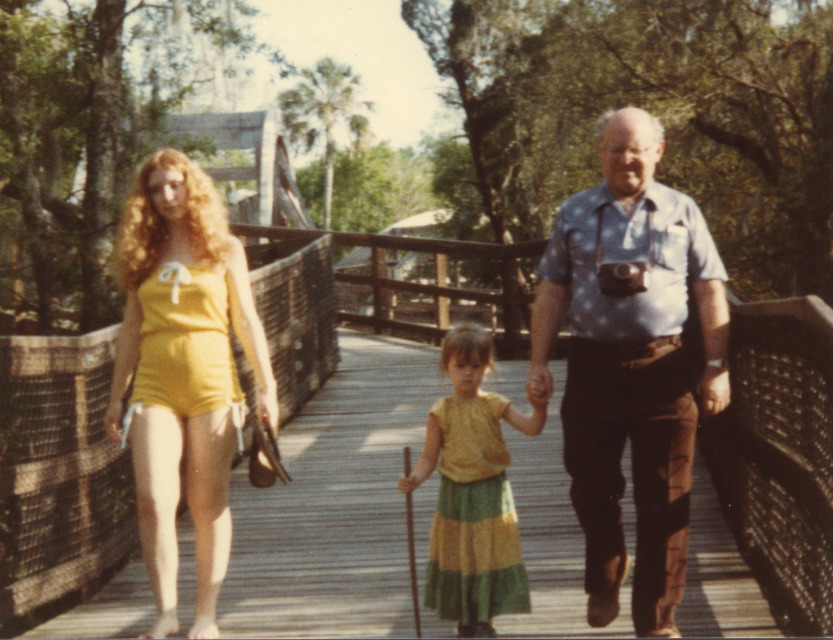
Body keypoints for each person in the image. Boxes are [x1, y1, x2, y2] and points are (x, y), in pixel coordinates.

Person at [526, 107, 730, 638]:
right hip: (592, 369)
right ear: (600, 153)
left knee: (665, 498)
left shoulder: (683, 210)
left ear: (658, 152)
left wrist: (716, 366)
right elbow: (552, 290)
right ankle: (607, 569)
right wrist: (538, 363)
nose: (626, 159)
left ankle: (657, 623)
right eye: (615, 149)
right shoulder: (574, 211)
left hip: (666, 369)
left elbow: (710, 288)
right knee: (590, 487)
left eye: (637, 149)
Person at [103, 148, 280, 640]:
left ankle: (205, 616)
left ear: (191, 186)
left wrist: (267, 387)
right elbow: (130, 330)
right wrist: (116, 397)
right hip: (154, 385)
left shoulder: (225, 248)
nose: (167, 196)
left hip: (213, 385)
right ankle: (166, 614)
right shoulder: (143, 253)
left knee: (207, 504)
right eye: (156, 188)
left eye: (175, 185)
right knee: (153, 498)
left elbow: (246, 320)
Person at [398, 323, 548, 638]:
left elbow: (532, 428)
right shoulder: (440, 411)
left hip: (490, 491)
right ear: (447, 367)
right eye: (460, 366)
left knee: (487, 555)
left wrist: (540, 408)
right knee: (461, 556)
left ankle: (484, 621)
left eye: (476, 366)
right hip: (455, 494)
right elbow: (429, 458)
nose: (468, 373)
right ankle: (465, 620)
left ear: (487, 367)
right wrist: (414, 479)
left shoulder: (495, 404)